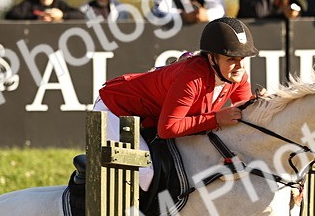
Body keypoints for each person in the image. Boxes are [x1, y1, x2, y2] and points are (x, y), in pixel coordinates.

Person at [94, 17, 256, 190]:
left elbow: (247, 115)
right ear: (211, 59)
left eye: (242, 58)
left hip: (146, 119)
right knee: (145, 173)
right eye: (231, 59)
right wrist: (215, 119)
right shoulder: (191, 78)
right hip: (115, 110)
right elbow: (167, 129)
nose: (240, 66)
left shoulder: (238, 77)